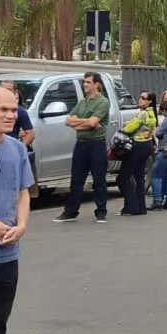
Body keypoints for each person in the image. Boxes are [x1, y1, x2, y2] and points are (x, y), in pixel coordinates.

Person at [0, 86, 34, 334]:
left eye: (14, 110)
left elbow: (23, 192)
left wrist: (23, 225)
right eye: (3, 110)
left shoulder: (17, 148)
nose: (11, 115)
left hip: (8, 255)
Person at [54, 73, 111, 223]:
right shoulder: (82, 103)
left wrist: (80, 123)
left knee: (99, 180)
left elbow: (94, 123)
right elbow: (68, 121)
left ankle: (101, 212)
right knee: (76, 180)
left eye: (88, 82)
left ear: (96, 84)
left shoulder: (103, 102)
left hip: (96, 145)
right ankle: (70, 212)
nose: (84, 84)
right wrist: (87, 123)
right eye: (84, 82)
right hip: (80, 145)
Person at [117, 91, 157, 216]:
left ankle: (131, 206)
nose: (140, 100)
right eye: (140, 97)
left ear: (149, 101)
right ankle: (141, 207)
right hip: (147, 146)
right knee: (139, 177)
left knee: (123, 177)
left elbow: (129, 128)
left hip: (137, 146)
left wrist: (124, 126)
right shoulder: (152, 114)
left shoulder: (143, 114)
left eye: (143, 98)